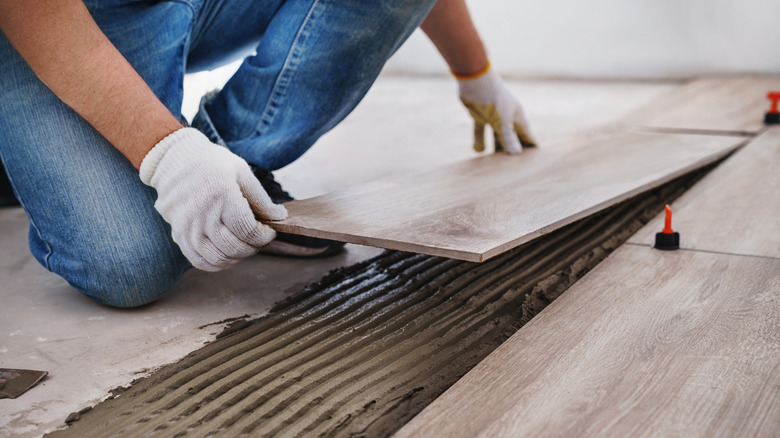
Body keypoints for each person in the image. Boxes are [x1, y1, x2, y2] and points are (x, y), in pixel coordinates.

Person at [0, 0, 534, 307]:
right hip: (57, 19)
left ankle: (232, 160)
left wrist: (475, 72)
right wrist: (166, 155)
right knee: (131, 267)